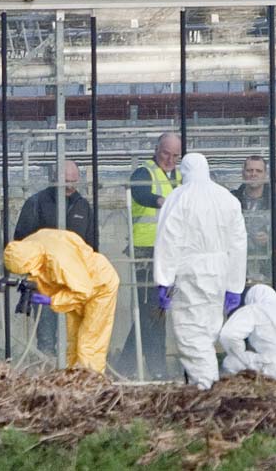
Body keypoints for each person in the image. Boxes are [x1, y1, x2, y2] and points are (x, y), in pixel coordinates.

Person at [153, 153, 247, 390]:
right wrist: (234, 286)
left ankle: (206, 387)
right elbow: (238, 244)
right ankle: (208, 385)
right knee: (209, 329)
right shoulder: (227, 198)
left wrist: (163, 279)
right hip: (220, 270)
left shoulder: (179, 197)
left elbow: (167, 239)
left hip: (190, 271)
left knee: (190, 333)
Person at [4, 228, 119, 373]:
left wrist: (52, 300)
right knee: (74, 342)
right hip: (75, 286)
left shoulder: (59, 261)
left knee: (88, 345)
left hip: (100, 286)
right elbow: (43, 274)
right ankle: (73, 384)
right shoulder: (28, 248)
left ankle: (90, 385)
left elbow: (84, 291)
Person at [117, 132, 182, 379]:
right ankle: (152, 370)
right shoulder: (145, 172)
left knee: (156, 314)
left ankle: (130, 368)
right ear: (157, 149)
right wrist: (159, 200)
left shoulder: (180, 176)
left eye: (175, 155)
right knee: (150, 312)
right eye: (166, 153)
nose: (170, 160)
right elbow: (139, 192)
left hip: (171, 253)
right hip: (147, 253)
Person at [13, 160, 94, 357]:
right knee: (46, 332)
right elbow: (22, 239)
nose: (70, 186)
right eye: (65, 181)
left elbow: (91, 245)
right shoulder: (36, 203)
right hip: (45, 282)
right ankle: (47, 371)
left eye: (74, 181)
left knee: (74, 332)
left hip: (74, 282)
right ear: (53, 179)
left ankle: (72, 374)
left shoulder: (82, 206)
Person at [230, 156, 276, 285]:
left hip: (268, 272)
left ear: (265, 175)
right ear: (243, 173)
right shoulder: (231, 199)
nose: (253, 174)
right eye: (250, 170)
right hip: (236, 270)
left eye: (258, 171)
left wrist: (270, 240)